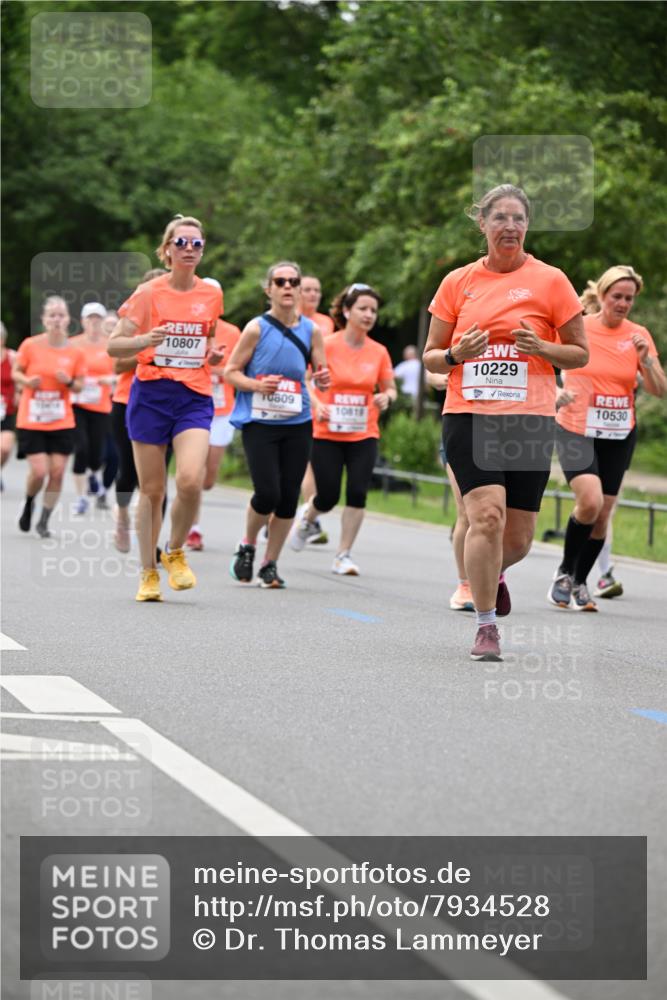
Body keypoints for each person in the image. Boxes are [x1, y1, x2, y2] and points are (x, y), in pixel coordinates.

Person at [423, 183, 587, 661]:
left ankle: (491, 573)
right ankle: (486, 625)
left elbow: (580, 352)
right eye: (500, 218)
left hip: (530, 420)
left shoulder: (552, 281)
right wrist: (458, 353)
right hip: (470, 415)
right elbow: (435, 358)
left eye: (518, 218)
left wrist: (543, 349)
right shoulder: (458, 282)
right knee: (486, 516)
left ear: (527, 225)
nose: (510, 226)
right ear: (483, 224)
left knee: (516, 539)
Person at [107, 215, 223, 601]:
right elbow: (114, 346)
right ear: (167, 249)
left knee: (191, 480)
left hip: (193, 396)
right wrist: (144, 338)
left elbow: (204, 340)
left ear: (202, 250)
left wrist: (212, 354)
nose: (189, 249)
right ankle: (148, 573)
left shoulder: (211, 294)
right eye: (181, 243)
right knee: (152, 491)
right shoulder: (148, 293)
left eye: (196, 244)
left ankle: (175, 551)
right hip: (151, 395)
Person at [548, 265, 665, 610]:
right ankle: (565, 573)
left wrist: (647, 362)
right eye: (617, 296)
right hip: (575, 427)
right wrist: (555, 392)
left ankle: (581, 581)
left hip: (619, 432)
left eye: (629, 298)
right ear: (601, 295)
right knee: (590, 501)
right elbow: (544, 365)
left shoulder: (638, 335)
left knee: (602, 515)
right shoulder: (577, 327)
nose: (623, 303)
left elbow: (660, 390)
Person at [225, 261, 329, 588]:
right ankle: (247, 545)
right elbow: (230, 372)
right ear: (268, 289)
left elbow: (320, 376)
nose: (287, 286)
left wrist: (324, 380)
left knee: (287, 498)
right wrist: (257, 385)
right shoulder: (256, 328)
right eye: (280, 281)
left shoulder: (312, 331)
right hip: (260, 421)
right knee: (267, 492)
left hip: (298, 420)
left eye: (293, 281)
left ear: (299, 289)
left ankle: (270, 563)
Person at [289, 282, 396, 574]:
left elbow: (390, 388)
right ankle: (308, 516)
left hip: (364, 431)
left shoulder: (379, 351)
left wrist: (385, 397)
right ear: (347, 311)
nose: (369, 315)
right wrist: (316, 404)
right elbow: (305, 381)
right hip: (328, 431)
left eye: (373, 310)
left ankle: (343, 554)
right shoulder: (327, 345)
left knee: (358, 492)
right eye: (362, 308)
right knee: (328, 496)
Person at [13, 296, 86, 537]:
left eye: (61, 315)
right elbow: (16, 373)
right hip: (32, 418)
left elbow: (80, 387)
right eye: (52, 315)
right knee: (40, 471)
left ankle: (44, 519)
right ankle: (29, 503)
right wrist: (27, 381)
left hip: (61, 419)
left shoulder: (75, 352)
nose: (57, 319)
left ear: (68, 320)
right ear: (44, 320)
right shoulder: (30, 345)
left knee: (56, 472)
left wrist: (69, 381)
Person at [109, 271, 167, 553]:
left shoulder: (180, 321)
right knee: (129, 471)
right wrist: (147, 348)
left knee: (160, 476)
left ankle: (152, 540)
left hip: (166, 403)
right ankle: (122, 515)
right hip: (126, 401)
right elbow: (118, 365)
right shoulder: (133, 319)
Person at [186, 277, 241, 551]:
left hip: (221, 410)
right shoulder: (188, 327)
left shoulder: (233, 332)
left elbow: (241, 368)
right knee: (194, 473)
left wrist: (220, 370)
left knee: (208, 478)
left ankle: (192, 495)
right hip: (193, 405)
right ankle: (193, 528)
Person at [426, 371, 474, 611]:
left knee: (495, 516)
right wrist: (439, 378)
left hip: (504, 430)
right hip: (461, 429)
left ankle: (492, 575)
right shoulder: (460, 333)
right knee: (466, 512)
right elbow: (431, 367)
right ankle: (464, 585)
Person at [296, 273, 335, 543]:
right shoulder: (290, 319)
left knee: (310, 458)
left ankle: (309, 513)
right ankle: (308, 513)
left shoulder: (326, 323)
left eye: (317, 290)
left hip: (320, 392)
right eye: (307, 289)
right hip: (294, 390)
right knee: (301, 460)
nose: (312, 295)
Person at [70, 303, 115, 513]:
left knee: (97, 454)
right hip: (76, 403)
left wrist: (109, 379)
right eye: (90, 319)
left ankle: (94, 476)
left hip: (100, 405)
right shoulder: (72, 344)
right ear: (83, 321)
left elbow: (121, 373)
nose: (94, 323)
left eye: (98, 319)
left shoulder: (110, 345)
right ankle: (81, 498)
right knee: (81, 448)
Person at [1, 322, 18, 484]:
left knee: (5, 449)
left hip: (6, 410)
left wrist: (19, 393)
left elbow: (19, 377)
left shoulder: (12, 357)